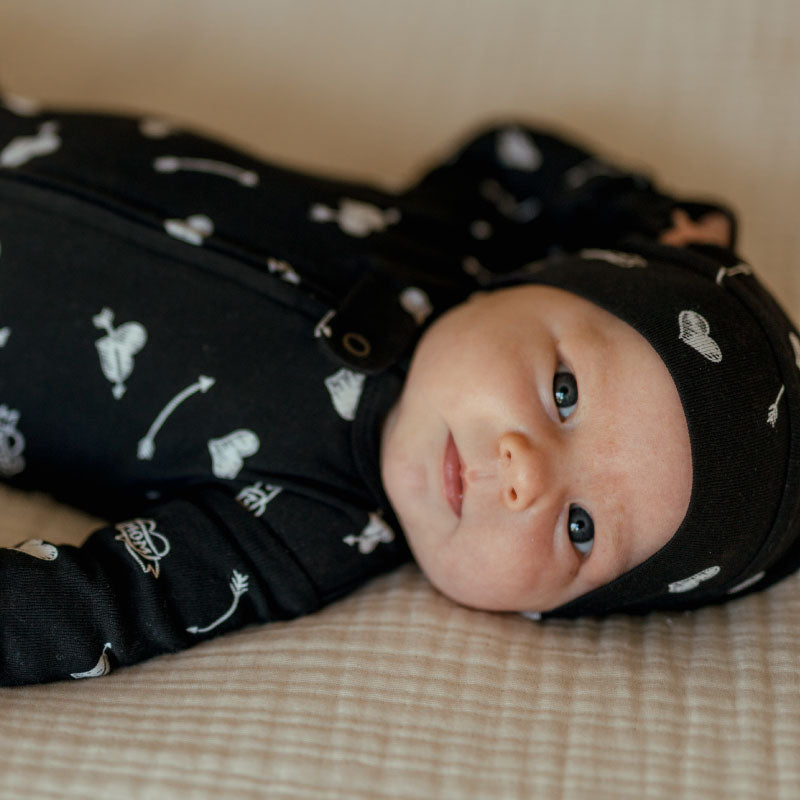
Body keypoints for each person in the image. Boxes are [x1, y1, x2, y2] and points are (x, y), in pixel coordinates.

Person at [0, 93, 797, 687]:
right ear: (544, 279)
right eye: (564, 393)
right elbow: (510, 153)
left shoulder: (302, 531)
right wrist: (642, 215)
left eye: (580, 529)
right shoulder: (453, 243)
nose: (525, 474)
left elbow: (94, 609)